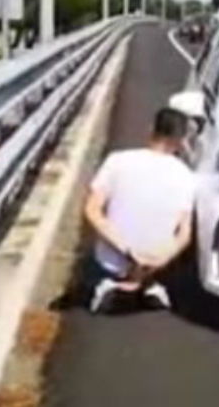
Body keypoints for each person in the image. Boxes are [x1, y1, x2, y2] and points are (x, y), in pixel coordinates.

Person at [82, 107, 195, 313]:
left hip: (116, 256)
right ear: (181, 140)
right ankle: (149, 282)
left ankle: (112, 281)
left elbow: (92, 210)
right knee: (168, 242)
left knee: (94, 246)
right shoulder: (186, 176)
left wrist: (127, 250)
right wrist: (162, 259)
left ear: (151, 129)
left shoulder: (117, 160)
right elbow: (184, 235)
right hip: (156, 259)